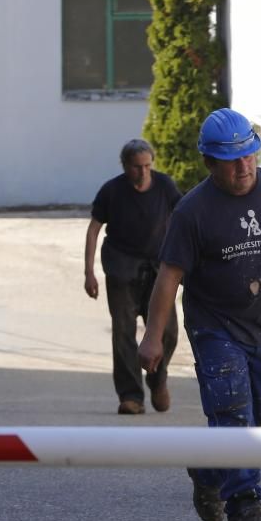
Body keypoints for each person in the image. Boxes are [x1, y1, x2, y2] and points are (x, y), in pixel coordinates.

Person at [138, 108, 261, 521]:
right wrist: (152, 338)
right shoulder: (193, 211)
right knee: (234, 409)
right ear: (209, 162)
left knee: (255, 417)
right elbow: (169, 278)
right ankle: (245, 502)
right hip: (215, 328)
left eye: (249, 156)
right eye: (231, 160)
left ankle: (208, 469)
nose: (243, 168)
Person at [84, 139, 181, 415]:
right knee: (123, 333)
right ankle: (131, 396)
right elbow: (93, 229)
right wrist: (89, 272)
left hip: (157, 270)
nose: (143, 173)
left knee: (168, 331)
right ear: (125, 166)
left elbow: (184, 217)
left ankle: (157, 378)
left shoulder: (165, 186)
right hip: (122, 270)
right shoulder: (112, 191)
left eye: (147, 166)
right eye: (137, 167)